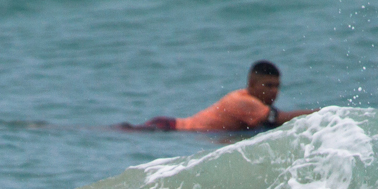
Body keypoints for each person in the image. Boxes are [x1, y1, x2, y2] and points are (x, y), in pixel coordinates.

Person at [122, 61, 318, 132]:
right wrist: (321, 114)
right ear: (251, 84)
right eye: (268, 85)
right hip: (169, 129)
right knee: (122, 131)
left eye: (277, 86)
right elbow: (279, 119)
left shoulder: (253, 103)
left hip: (172, 127)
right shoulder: (244, 102)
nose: (274, 91)